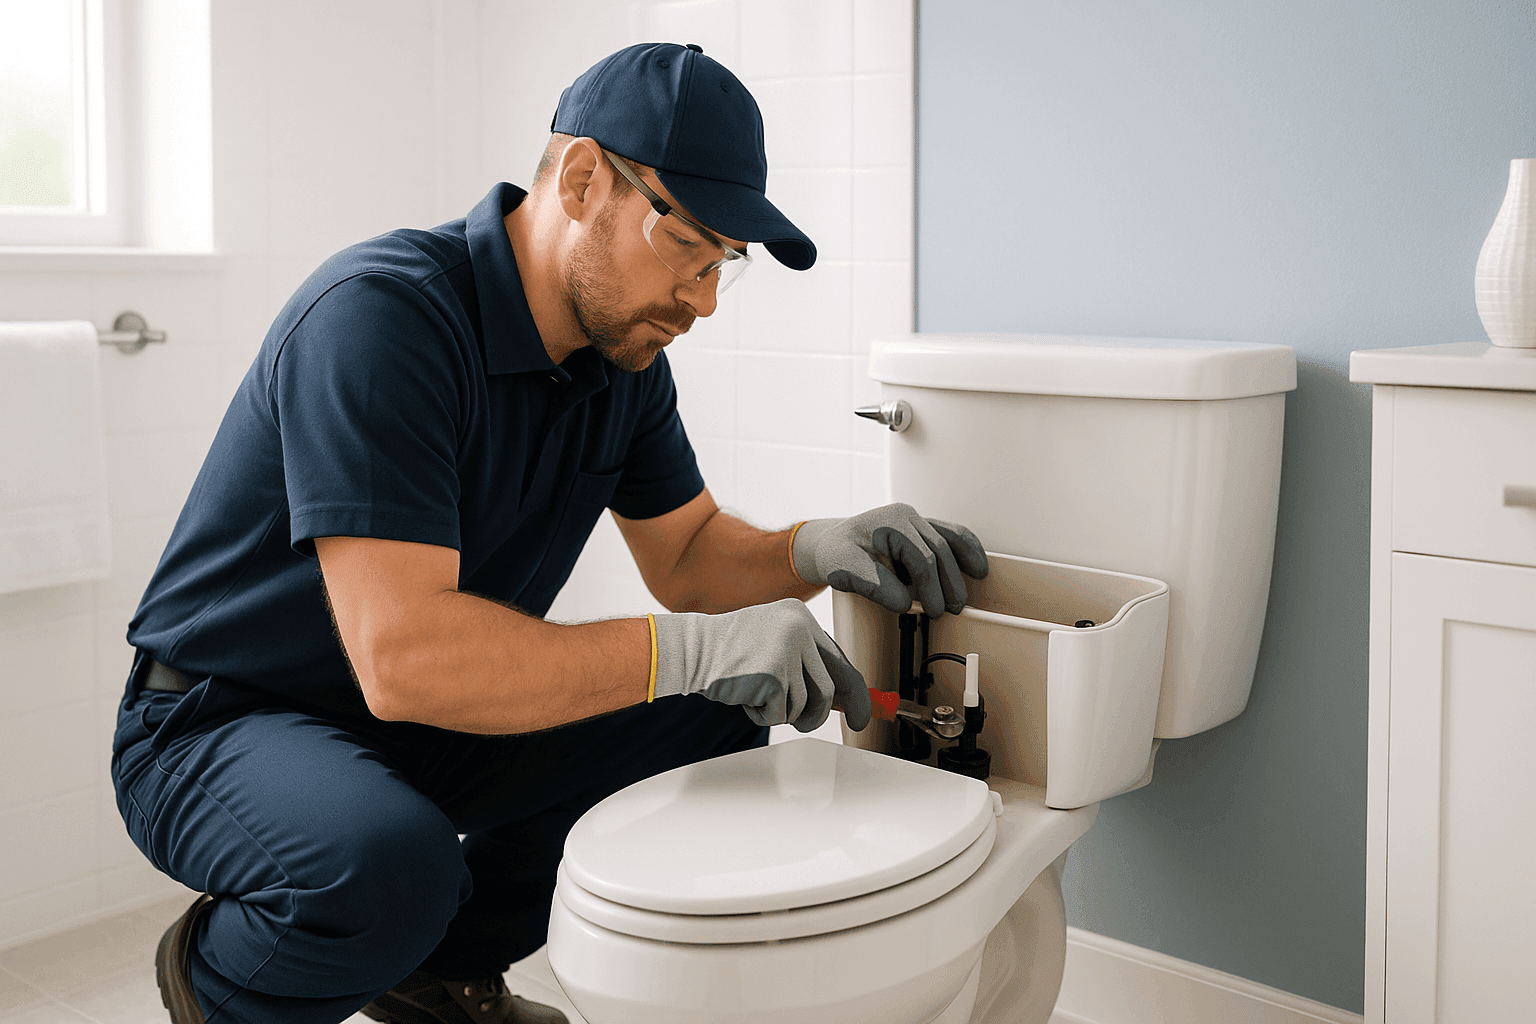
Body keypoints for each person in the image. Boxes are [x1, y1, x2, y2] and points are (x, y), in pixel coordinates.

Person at [112, 43, 988, 1024]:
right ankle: (221, 981)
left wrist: (808, 548)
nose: (700, 302)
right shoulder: (382, 319)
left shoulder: (625, 367)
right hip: (223, 721)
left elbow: (688, 555)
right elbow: (405, 656)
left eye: (721, 269)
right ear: (582, 180)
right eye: (687, 248)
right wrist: (692, 648)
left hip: (410, 726)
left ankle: (439, 968)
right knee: (388, 864)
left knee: (716, 717)